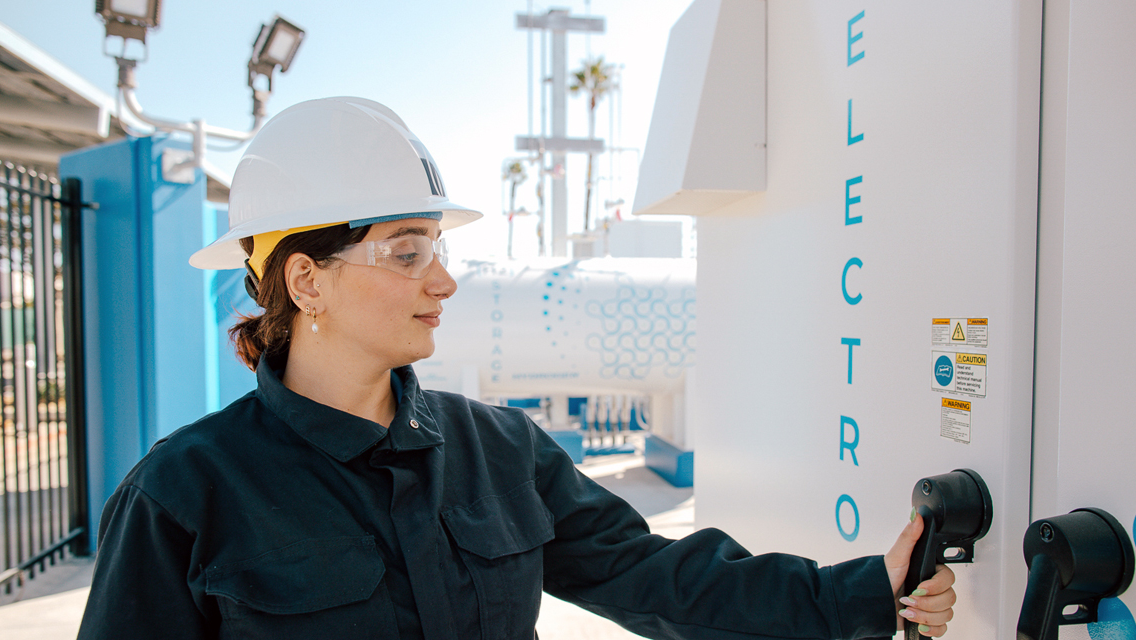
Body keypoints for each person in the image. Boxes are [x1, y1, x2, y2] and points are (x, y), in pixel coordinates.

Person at [77, 97, 956, 639]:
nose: (445, 278)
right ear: (305, 280)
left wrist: (860, 592)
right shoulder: (184, 495)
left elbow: (656, 579)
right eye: (408, 250)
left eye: (440, 247)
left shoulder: (496, 449)